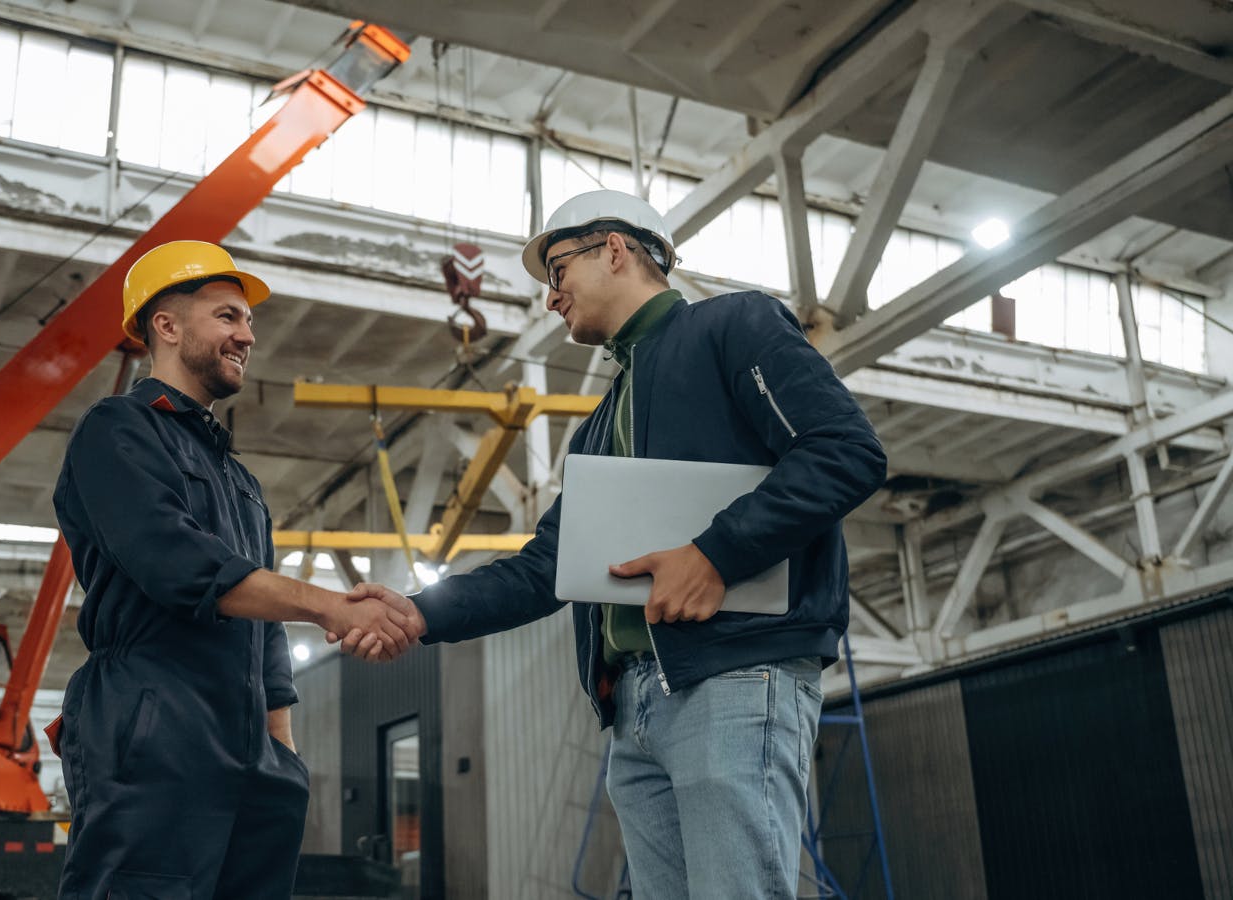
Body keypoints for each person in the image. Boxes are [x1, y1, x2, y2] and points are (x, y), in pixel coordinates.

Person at [341, 191, 887, 899]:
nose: (550, 298)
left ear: (617, 249)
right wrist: (421, 613)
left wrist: (715, 554)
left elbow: (845, 451)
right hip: (634, 711)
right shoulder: (597, 430)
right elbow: (547, 568)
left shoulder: (734, 327)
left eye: (558, 270)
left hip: (732, 678)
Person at [52, 240, 422, 900]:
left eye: (248, 322)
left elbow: (267, 636)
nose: (247, 336)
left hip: (252, 752)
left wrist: (282, 753)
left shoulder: (240, 480)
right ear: (165, 326)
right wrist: (331, 605)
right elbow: (179, 566)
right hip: (153, 726)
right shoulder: (116, 432)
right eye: (228, 316)